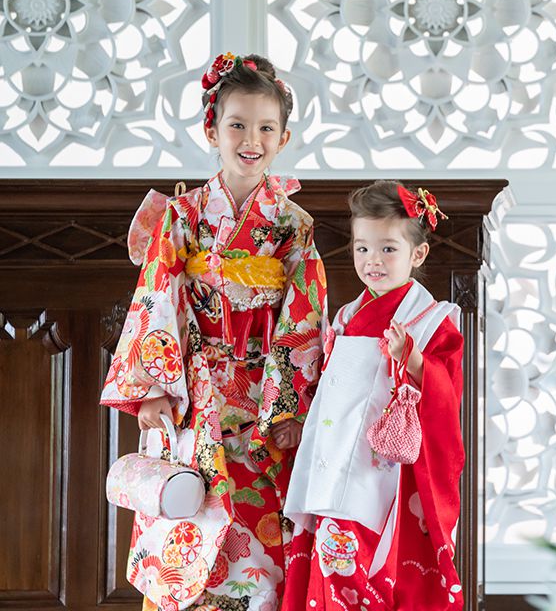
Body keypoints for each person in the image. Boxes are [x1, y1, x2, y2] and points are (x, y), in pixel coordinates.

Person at [101, 52, 327, 611]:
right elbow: (157, 296)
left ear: (284, 137)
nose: (252, 139)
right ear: (212, 130)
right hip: (191, 394)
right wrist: (153, 386)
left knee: (258, 533)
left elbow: (304, 317)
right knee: (188, 514)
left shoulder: (293, 226)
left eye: (266, 128)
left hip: (263, 397)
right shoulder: (184, 215)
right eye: (238, 125)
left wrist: (287, 410)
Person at [282, 180, 465, 610]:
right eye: (362, 248)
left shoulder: (431, 319)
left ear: (416, 254)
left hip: (383, 473)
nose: (372, 261)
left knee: (366, 565)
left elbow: (446, 394)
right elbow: (328, 391)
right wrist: (302, 426)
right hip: (331, 460)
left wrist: (414, 359)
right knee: (328, 558)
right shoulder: (346, 315)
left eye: (387, 249)